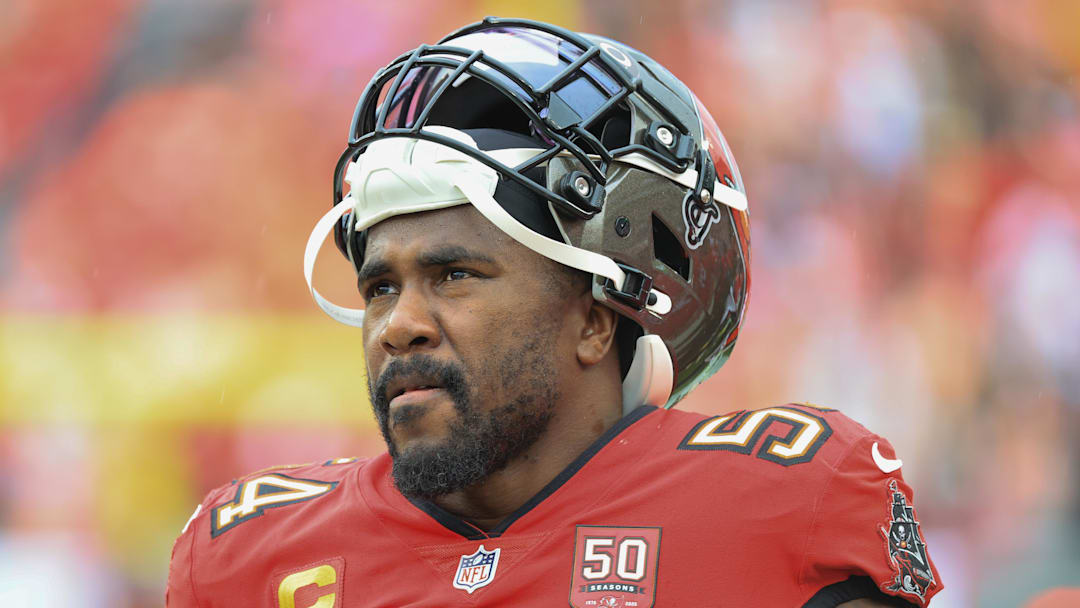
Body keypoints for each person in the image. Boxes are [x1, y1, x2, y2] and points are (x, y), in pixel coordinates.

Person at [167, 17, 942, 607]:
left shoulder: (785, 504)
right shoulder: (247, 556)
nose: (399, 324)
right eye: (380, 287)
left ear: (596, 317)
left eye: (455, 274)